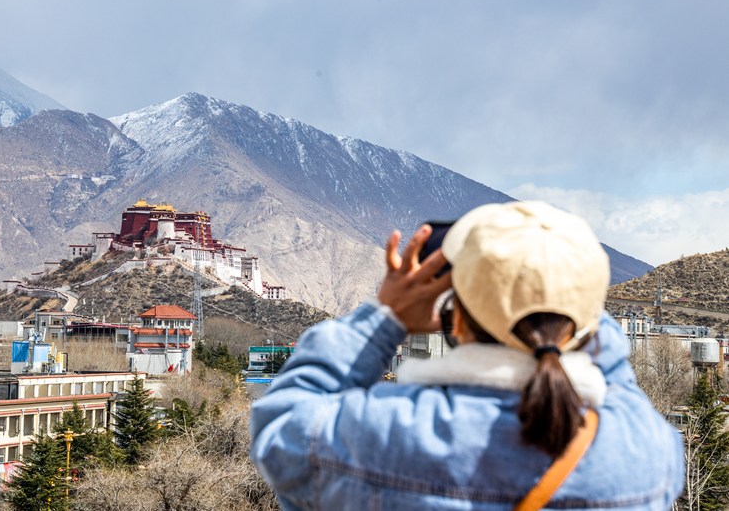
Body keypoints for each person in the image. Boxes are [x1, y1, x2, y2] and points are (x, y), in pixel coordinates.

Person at [250, 201, 684, 510]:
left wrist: (387, 317)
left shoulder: (384, 433)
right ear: (585, 321)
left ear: (456, 319)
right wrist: (565, 290)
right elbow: (613, 371)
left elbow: (282, 424)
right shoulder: (646, 451)